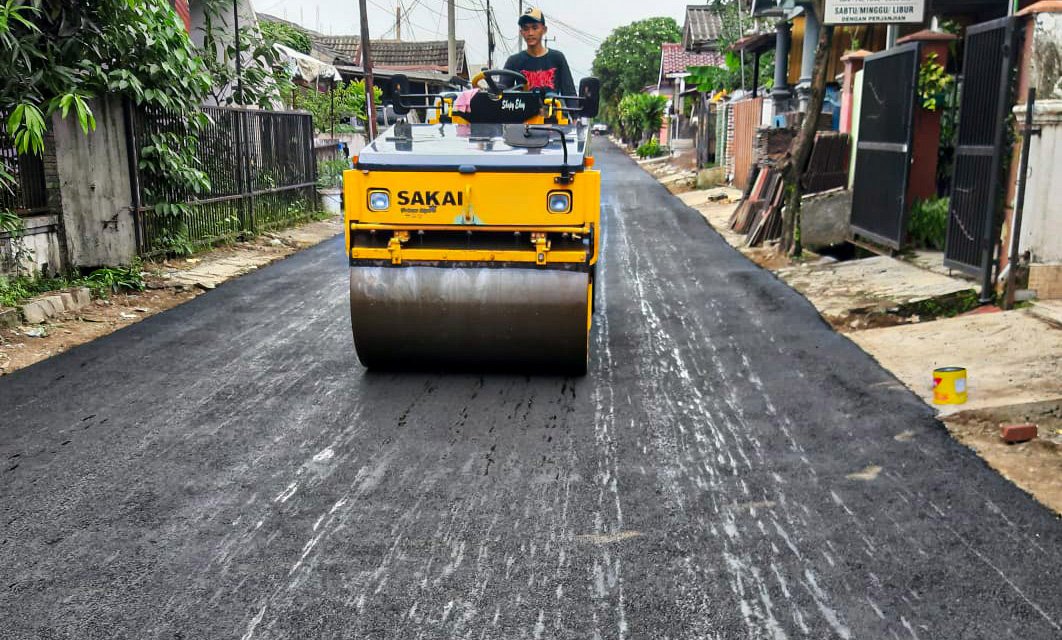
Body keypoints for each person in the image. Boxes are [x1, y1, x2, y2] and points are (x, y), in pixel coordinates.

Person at [503, 7, 576, 97]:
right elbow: (501, 93)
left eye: (535, 28)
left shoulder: (557, 58)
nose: (530, 33)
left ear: (544, 30)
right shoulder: (513, 61)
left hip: (552, 105)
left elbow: (570, 95)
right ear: (521, 32)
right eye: (526, 29)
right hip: (524, 106)